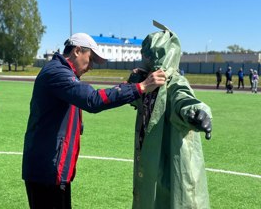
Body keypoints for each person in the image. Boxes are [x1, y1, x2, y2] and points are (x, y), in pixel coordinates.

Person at [21, 32, 166, 208]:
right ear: (77, 51)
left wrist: (128, 87)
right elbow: (92, 100)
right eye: (90, 59)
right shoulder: (57, 73)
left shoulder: (63, 73)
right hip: (46, 171)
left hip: (52, 169)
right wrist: (140, 87)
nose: (91, 66)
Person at [128, 22, 212, 209]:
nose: (145, 59)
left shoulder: (173, 81)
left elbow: (183, 98)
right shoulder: (148, 82)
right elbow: (136, 99)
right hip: (150, 157)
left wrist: (196, 113)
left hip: (170, 156)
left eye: (148, 54)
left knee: (172, 198)